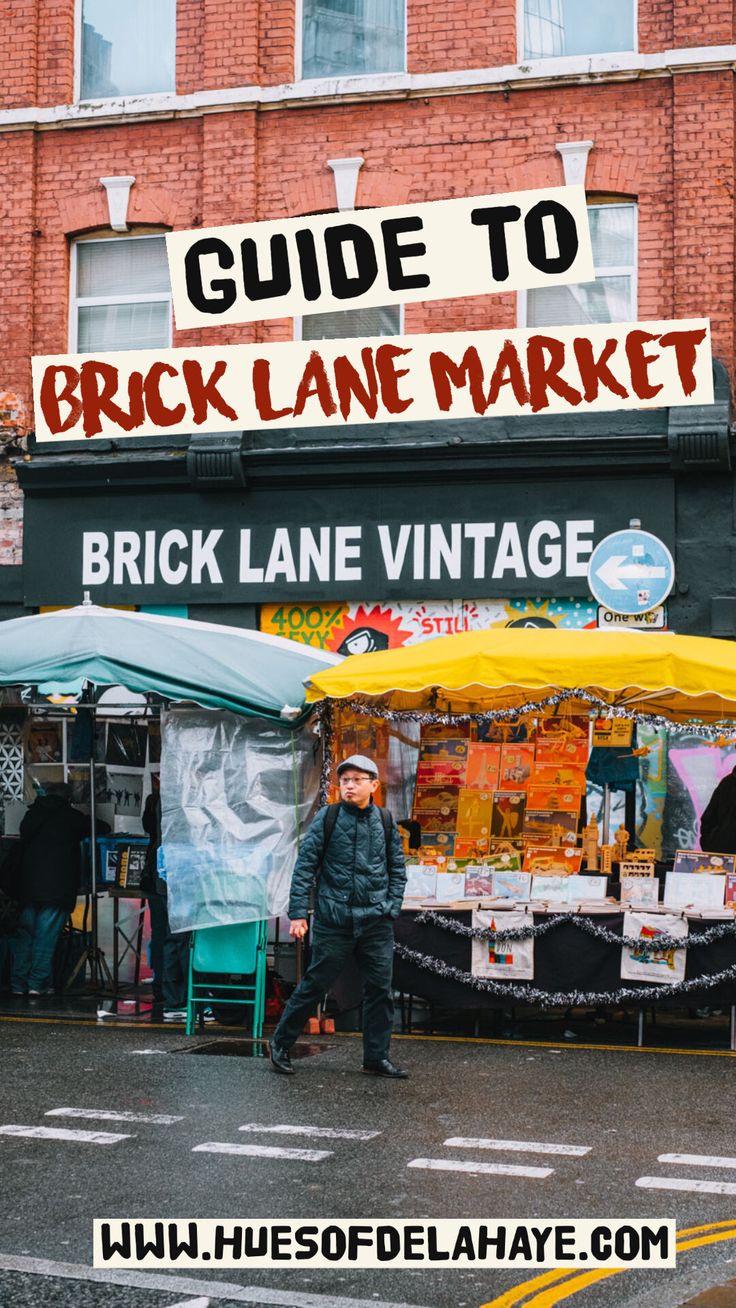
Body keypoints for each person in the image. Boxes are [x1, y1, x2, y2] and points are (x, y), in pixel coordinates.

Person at [269, 754, 408, 1078]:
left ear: (373, 785)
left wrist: (391, 908)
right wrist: (299, 914)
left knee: (379, 991)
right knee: (315, 984)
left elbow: (397, 870)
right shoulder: (327, 818)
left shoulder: (385, 821)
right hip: (336, 920)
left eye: (357, 780)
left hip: (375, 921)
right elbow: (305, 867)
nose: (349, 785)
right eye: (345, 780)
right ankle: (280, 1044)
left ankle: (376, 1056)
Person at [11, 782, 91, 996]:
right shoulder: (70, 817)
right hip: (57, 887)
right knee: (45, 937)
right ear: (67, 798)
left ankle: (18, 984)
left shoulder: (31, 815)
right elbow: (101, 827)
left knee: (26, 935)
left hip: (28, 886)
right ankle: (37, 984)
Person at [141, 774, 191, 1020]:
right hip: (177, 878)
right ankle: (178, 998)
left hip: (162, 878)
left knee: (169, 938)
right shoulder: (180, 802)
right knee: (179, 940)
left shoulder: (157, 801)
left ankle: (170, 995)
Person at [700, 766, 736, 853]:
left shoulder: (727, 782)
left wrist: (709, 845)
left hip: (723, 854)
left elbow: (708, 819)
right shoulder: (728, 782)